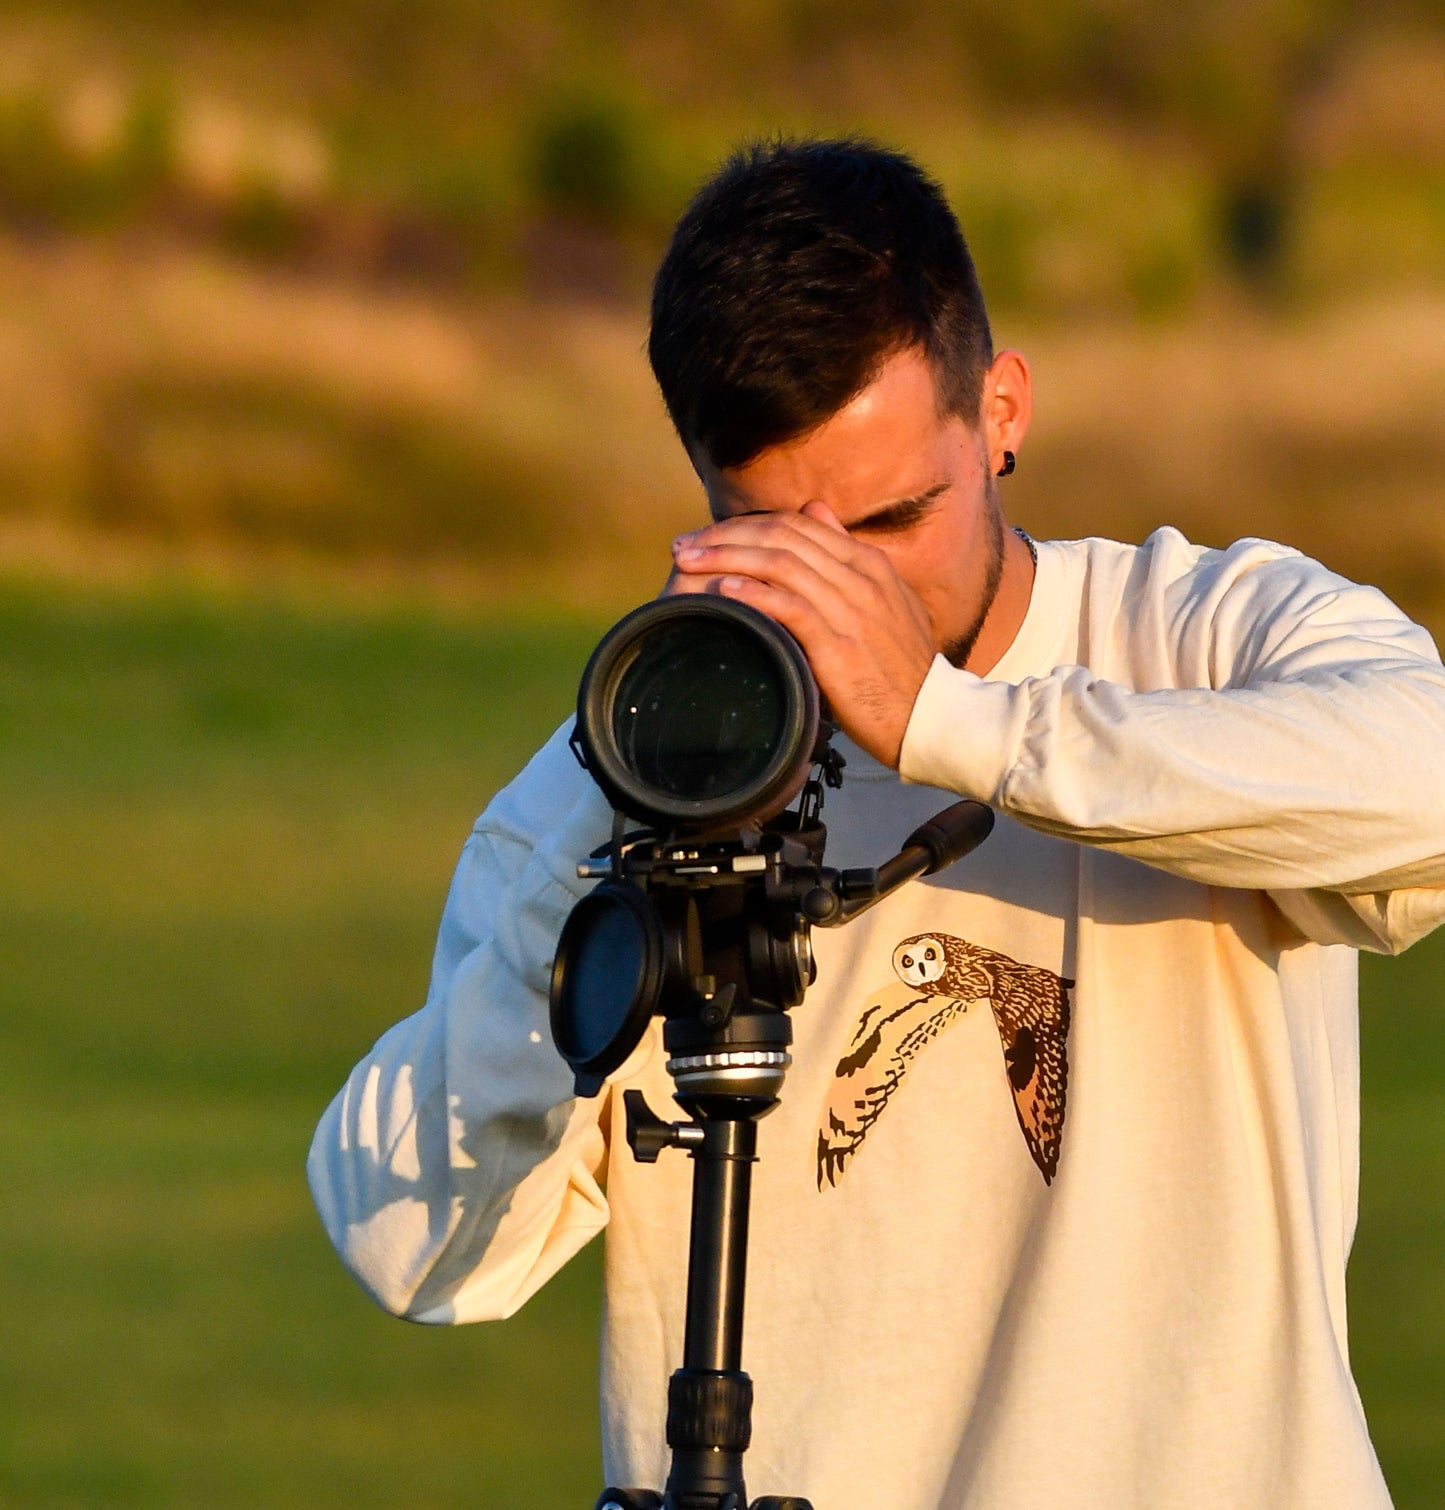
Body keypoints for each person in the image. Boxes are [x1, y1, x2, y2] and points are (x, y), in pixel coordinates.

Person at [307, 138, 1445, 1509]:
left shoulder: (1196, 633)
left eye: (894, 516)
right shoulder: (619, 786)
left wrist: (947, 724)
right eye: (781, 540)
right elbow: (407, 1240)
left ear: (1004, 410)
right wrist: (624, 815)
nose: (845, 587)